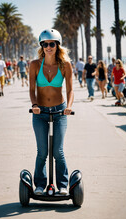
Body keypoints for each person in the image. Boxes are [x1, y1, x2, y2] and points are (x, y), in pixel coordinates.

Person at [29, 29, 74, 196]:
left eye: (52, 44)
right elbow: (32, 89)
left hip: (60, 112)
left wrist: (68, 106)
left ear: (57, 45)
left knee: (57, 151)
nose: (48, 47)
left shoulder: (65, 65)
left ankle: (62, 184)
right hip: (39, 112)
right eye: (45, 44)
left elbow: (70, 90)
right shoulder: (34, 64)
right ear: (42, 45)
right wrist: (34, 104)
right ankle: (40, 184)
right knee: (42, 152)